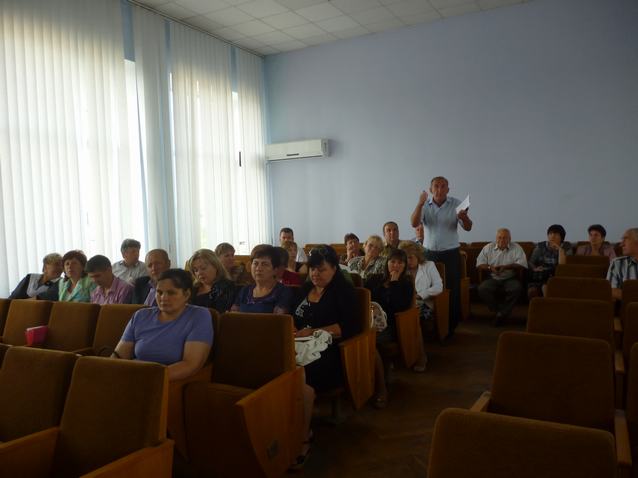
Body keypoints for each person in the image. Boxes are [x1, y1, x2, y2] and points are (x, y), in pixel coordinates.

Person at [292, 245, 360, 461]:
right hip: (300, 345)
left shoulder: (343, 292)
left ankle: (303, 436)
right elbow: (293, 318)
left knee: (301, 376)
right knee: (281, 369)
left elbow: (349, 327)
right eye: (313, 269)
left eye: (321, 269)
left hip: (331, 352)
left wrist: (313, 331)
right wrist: (292, 328)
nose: (315, 274)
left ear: (334, 269)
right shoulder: (305, 289)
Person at [113, 268, 213, 381]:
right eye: (159, 292)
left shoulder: (199, 316)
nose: (163, 298)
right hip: (131, 377)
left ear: (186, 294)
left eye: (171, 293)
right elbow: (120, 356)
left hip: (165, 381)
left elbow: (191, 364)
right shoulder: (141, 316)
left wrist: (148, 379)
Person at [410, 176, 472, 336]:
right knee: (428, 287)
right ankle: (430, 323)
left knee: (451, 289)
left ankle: (450, 326)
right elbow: (414, 223)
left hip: (450, 253)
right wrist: (419, 203)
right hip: (429, 253)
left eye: (443, 186)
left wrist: (464, 217)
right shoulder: (424, 205)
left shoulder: (457, 204)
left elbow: (468, 227)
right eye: (436, 186)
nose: (439, 189)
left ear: (448, 189)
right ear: (431, 189)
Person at [364, 248, 420, 408]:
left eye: (400, 263)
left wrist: (394, 283)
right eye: (392, 261)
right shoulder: (374, 279)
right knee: (356, 338)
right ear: (386, 263)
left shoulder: (406, 284)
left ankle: (381, 389)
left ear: (405, 266)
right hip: (370, 321)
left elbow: (399, 307)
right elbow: (365, 298)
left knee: (370, 343)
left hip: (392, 325)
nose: (395, 265)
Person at [475, 228, 528, 325]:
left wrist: (507, 267)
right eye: (499, 237)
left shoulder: (516, 247)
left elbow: (522, 264)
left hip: (510, 278)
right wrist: (490, 267)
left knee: (517, 288)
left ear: (510, 239)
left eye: (505, 238)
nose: (502, 240)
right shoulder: (488, 247)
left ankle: (500, 314)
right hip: (492, 277)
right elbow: (479, 264)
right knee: (482, 288)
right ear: (496, 238)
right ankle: (500, 312)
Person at [400, 240, 443, 345]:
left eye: (410, 257)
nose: (408, 261)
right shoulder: (402, 268)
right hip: (406, 303)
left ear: (418, 256)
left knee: (412, 316)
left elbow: (439, 287)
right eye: (405, 258)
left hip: (425, 303)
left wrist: (420, 295)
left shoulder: (429, 265)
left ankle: (415, 344)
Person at [232, 245, 293, 313]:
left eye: (265, 264)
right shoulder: (245, 290)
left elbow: (278, 318)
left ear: (275, 270)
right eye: (255, 263)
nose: (258, 268)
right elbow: (233, 315)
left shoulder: (282, 291)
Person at [527, 224, 573, 299]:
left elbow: (562, 265)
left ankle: (548, 303)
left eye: (556, 234)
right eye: (550, 234)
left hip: (556, 275)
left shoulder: (567, 246)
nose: (552, 236)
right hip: (541, 275)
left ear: (561, 237)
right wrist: (535, 268)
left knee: (546, 285)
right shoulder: (540, 246)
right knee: (534, 289)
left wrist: (559, 249)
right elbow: (531, 262)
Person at [188, 249, 236, 314]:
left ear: (216, 267)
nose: (199, 273)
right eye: (196, 270)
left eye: (203, 268)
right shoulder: (193, 287)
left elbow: (219, 313)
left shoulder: (226, 286)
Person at [607, 228, 638, 301]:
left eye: (625, 239)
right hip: (628, 306)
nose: (621, 244)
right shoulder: (617, 263)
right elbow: (611, 289)